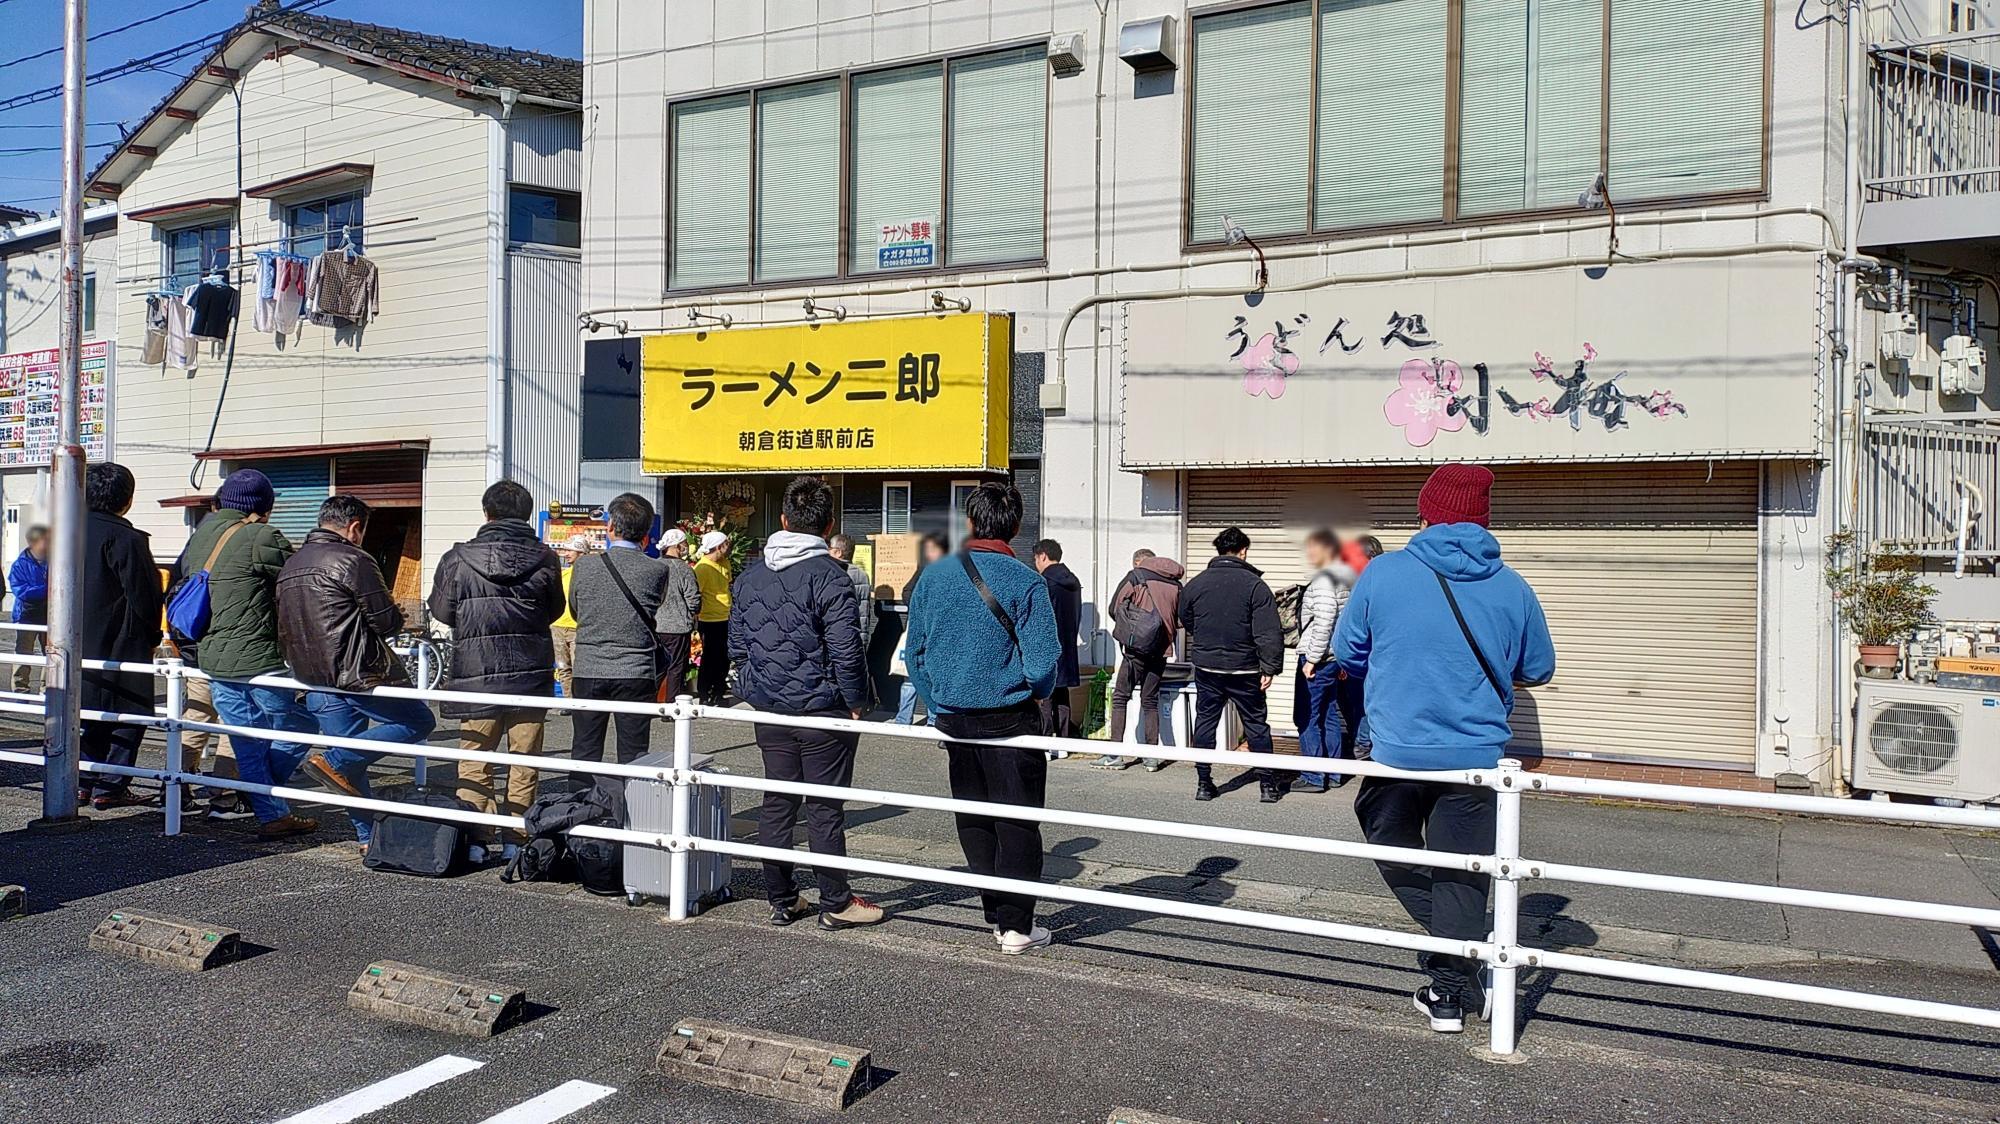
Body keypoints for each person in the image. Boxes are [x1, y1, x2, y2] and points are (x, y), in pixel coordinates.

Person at [1335, 463, 1555, 1034]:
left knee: (1389, 842)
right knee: (1464, 874)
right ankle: (1455, 986)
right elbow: (1538, 667)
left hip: (1398, 752)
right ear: (1484, 519)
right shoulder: (1512, 585)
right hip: (1477, 759)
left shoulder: (1382, 574)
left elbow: (1348, 652)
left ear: (1425, 511)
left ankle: (1451, 980)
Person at [905, 482, 1061, 955]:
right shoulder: (1025, 580)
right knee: (1017, 823)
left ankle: (994, 913)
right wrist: (1033, 693)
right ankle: (1016, 927)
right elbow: (1042, 663)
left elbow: (915, 654)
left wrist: (939, 701)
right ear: (1014, 526)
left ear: (970, 524)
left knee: (973, 817)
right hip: (1011, 721)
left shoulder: (934, 576)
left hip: (954, 721)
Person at [731, 477, 883, 931]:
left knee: (777, 801)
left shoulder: (750, 575)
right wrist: (857, 701)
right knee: (823, 807)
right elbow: (846, 650)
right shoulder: (829, 578)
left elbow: (740, 646)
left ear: (783, 521)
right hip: (823, 711)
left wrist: (759, 691)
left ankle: (781, 897)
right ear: (828, 524)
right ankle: (835, 901)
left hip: (771, 710)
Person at [279, 494, 439, 851]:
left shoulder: (291, 565)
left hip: (311, 676)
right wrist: (397, 614)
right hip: (357, 673)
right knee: (418, 722)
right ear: (354, 528)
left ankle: (367, 837)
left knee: (350, 765)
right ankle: (332, 763)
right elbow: (385, 621)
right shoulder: (354, 559)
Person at [174, 468, 319, 839]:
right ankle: (261, 792)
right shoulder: (261, 535)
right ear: (264, 507)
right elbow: (298, 578)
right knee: (301, 725)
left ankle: (271, 813)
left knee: (246, 737)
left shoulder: (201, 535)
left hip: (212, 656)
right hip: (258, 657)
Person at [429, 480, 565, 863]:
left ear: (486, 513)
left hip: (476, 670)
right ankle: (515, 839)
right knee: (525, 758)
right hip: (529, 669)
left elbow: (442, 612)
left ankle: (475, 840)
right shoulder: (545, 558)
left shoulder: (458, 558)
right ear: (526, 514)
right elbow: (554, 610)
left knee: (475, 757)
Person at [77, 464, 164, 810]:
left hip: (77, 639)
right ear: (126, 500)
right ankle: (110, 785)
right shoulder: (127, 538)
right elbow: (144, 594)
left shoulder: (68, 533)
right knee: (128, 715)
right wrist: (153, 635)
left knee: (85, 712)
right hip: (122, 641)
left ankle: (82, 781)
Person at [1178, 526, 1284, 804]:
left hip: (1207, 666)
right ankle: (1267, 786)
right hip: (1246, 668)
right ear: (1244, 551)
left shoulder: (1196, 584)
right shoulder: (1255, 586)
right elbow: (1268, 632)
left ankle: (1203, 783)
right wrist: (1270, 666)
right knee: (1256, 725)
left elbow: (1186, 619)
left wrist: (1204, 639)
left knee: (1205, 722)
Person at [569, 493, 669, 778]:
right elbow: (655, 607)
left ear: (611, 526)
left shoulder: (584, 566)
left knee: (585, 749)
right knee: (634, 752)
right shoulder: (657, 569)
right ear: (646, 534)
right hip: (635, 669)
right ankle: (633, 812)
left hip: (589, 666)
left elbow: (575, 610)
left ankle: (580, 808)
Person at [1095, 548, 1184, 771]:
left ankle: (1115, 755)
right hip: (1161, 649)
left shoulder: (1136, 577)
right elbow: (1182, 619)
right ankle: (1151, 757)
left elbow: (1114, 607)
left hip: (1136, 649)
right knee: (1150, 700)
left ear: (1138, 562)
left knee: (1120, 697)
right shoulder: (1175, 583)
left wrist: (1133, 625)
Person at [1292, 528, 1358, 794]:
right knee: (1329, 714)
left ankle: (1313, 776)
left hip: (1317, 659)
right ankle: (1333, 771)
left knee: (1306, 716)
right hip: (1334, 658)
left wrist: (1312, 659)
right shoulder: (1345, 580)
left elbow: (1324, 622)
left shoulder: (1324, 581)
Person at [893, 532, 950, 725]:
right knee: (911, 676)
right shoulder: (925, 569)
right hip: (922, 630)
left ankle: (934, 719)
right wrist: (920, 608)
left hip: (940, 633)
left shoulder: (952, 571)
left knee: (933, 677)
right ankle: (904, 719)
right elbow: (907, 592)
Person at [1337, 535, 1385, 763]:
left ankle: (1363, 744)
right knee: (1356, 703)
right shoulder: (1362, 580)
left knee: (1366, 704)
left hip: (1369, 658)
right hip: (1362, 659)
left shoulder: (1370, 582)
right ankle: (1361, 742)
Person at [1031, 539, 1083, 742]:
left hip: (1047, 647)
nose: (1036, 563)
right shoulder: (1073, 581)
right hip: (1068, 647)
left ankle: (1045, 742)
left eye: (1036, 558)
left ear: (1043, 556)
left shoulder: (1044, 582)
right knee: (1062, 695)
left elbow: (1039, 618)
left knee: (1045, 696)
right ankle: (1063, 741)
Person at [653, 527, 702, 698]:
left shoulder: (654, 565)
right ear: (677, 546)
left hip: (654, 625)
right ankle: (671, 705)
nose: (686, 547)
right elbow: (693, 599)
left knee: (657, 667)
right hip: (677, 627)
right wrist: (693, 613)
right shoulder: (683, 569)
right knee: (675, 668)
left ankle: (647, 704)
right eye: (684, 544)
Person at [694, 529, 733, 706]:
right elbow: (697, 594)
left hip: (725, 616)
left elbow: (728, 585)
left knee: (724, 657)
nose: (728, 547)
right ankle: (704, 693)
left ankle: (718, 692)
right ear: (718, 546)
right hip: (708, 619)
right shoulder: (702, 568)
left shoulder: (725, 563)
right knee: (709, 657)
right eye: (726, 544)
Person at [550, 534, 591, 701]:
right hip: (558, 625)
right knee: (562, 667)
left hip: (578, 627)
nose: (565, 554)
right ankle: (569, 701)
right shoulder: (563, 574)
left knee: (579, 667)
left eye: (569, 550)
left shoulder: (589, 576)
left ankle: (581, 701)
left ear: (581, 552)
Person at [9, 525, 47, 694]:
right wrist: (48, 589)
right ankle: (20, 689)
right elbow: (20, 591)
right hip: (27, 614)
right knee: (23, 653)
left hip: (49, 614)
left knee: (51, 653)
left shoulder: (55, 561)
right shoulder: (20, 564)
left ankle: (48, 689)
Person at [829, 532, 874, 651]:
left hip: (838, 639)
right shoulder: (863, 575)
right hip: (859, 636)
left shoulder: (833, 573)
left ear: (838, 552)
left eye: (830, 549)